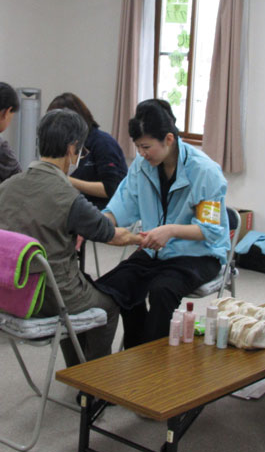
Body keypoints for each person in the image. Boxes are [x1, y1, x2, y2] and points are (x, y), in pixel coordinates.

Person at [0, 108, 139, 366]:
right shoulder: (68, 197)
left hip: (8, 289)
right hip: (50, 295)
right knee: (108, 305)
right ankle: (94, 378)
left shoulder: (5, 188)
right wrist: (143, 238)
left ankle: (76, 368)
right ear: (72, 149)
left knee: (83, 288)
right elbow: (112, 235)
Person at [96, 99, 230, 348]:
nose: (141, 154)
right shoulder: (142, 166)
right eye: (138, 147)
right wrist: (98, 223)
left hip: (198, 254)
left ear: (169, 139)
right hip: (154, 251)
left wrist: (170, 231)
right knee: (118, 286)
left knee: (162, 290)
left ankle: (152, 361)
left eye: (146, 147)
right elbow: (122, 205)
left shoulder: (205, 171)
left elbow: (210, 230)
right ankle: (137, 348)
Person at [46, 92, 127, 210]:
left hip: (102, 210)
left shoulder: (103, 143)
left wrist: (67, 180)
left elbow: (111, 188)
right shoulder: (65, 144)